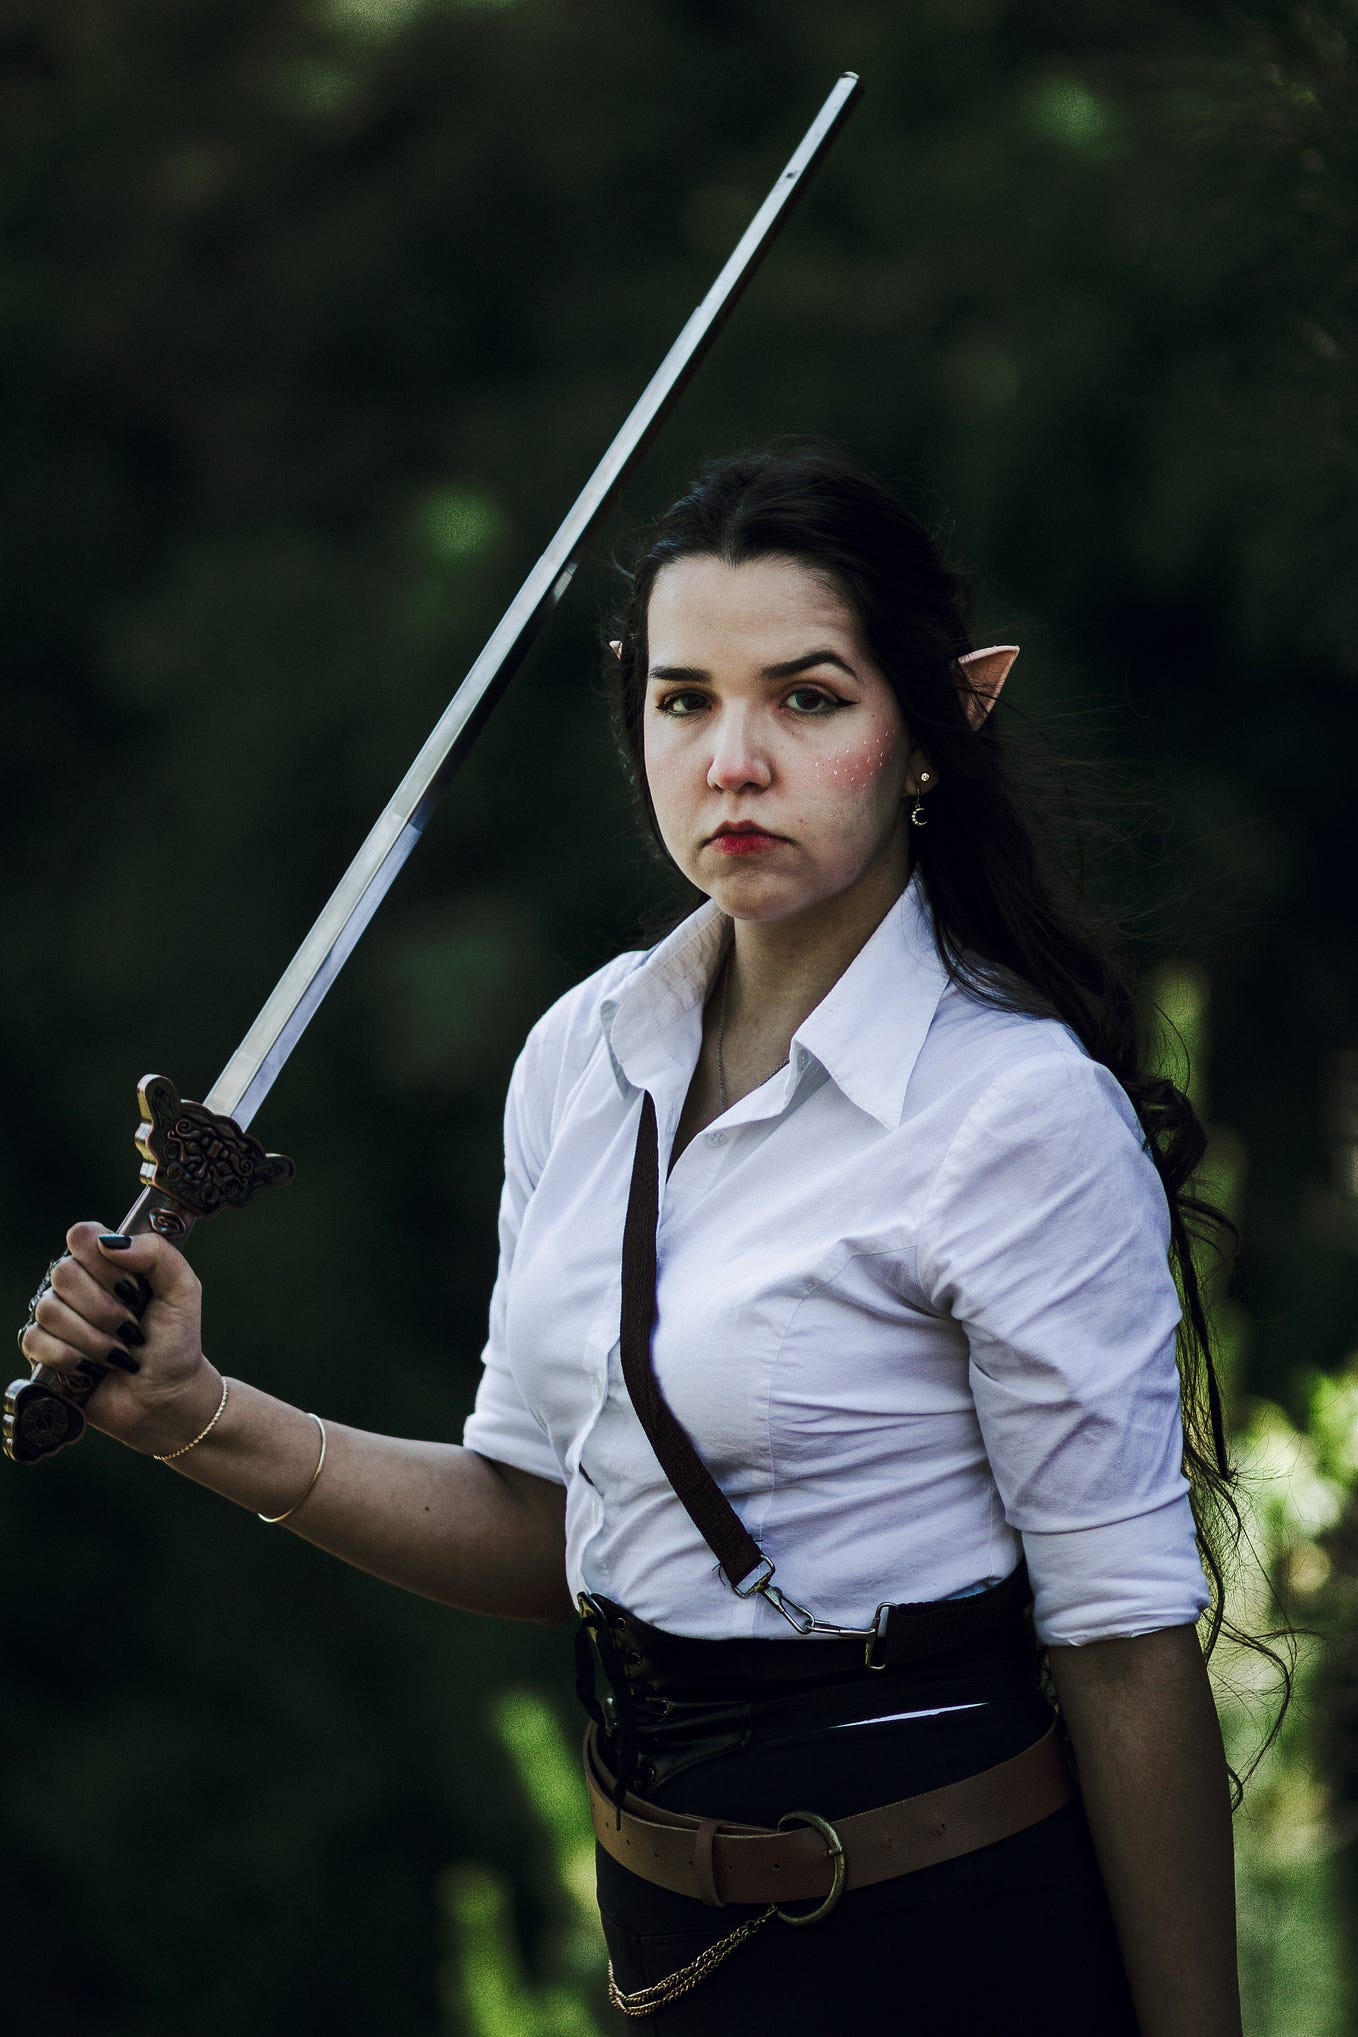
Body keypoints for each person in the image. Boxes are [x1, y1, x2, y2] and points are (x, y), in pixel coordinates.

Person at [20, 447, 1247, 2034]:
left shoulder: (1011, 1110)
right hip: (673, 1954)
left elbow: (1124, 1648)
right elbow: (554, 1522)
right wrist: (198, 1415)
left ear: (936, 726)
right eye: (683, 700)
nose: (731, 761)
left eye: (806, 698)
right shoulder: (582, 1053)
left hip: (950, 1940)